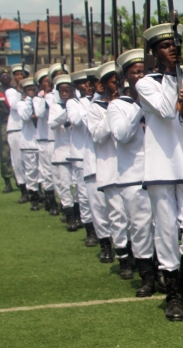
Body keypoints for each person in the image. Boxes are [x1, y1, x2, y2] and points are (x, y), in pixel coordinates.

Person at [137, 22, 183, 322]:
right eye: (165, 46)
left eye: (175, 45)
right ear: (155, 53)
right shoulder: (146, 84)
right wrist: (171, 79)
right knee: (165, 230)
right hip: (160, 167)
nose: (172, 50)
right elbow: (166, 110)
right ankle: (173, 292)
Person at [108, 49, 160, 297]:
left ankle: (163, 269)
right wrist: (139, 105)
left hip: (158, 173)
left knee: (162, 225)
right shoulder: (118, 106)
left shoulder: (157, 103)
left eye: (144, 72)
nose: (140, 76)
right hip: (132, 176)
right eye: (135, 72)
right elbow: (122, 134)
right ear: (126, 78)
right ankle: (146, 275)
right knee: (140, 227)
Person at [87, 64, 132, 271]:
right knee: (118, 216)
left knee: (134, 216)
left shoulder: (129, 104)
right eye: (114, 82)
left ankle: (137, 254)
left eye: (119, 82)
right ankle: (123, 256)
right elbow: (97, 135)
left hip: (130, 168)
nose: (117, 86)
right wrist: (111, 111)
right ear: (104, 84)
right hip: (110, 169)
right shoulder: (95, 108)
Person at [66, 69, 99, 247]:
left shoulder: (103, 100)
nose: (87, 86)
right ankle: (90, 231)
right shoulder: (74, 103)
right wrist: (90, 103)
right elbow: (78, 120)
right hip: (81, 155)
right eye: (82, 83)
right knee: (85, 197)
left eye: (89, 82)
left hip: (101, 155)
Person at [48, 74, 78, 229]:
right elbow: (52, 124)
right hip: (62, 151)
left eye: (68, 91)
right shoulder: (56, 107)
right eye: (62, 91)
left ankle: (79, 214)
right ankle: (69, 215)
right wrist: (66, 111)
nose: (65, 94)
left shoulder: (79, 105)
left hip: (77, 152)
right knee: (65, 185)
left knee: (78, 186)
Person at [32, 68, 58, 215]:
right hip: (44, 139)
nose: (48, 83)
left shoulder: (59, 95)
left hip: (57, 138)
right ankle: (50, 201)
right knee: (47, 172)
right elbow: (40, 113)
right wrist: (46, 96)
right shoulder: (38, 99)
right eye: (45, 81)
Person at [16, 77, 42, 210]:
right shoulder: (21, 103)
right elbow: (26, 116)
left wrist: (36, 100)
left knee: (43, 172)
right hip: (29, 143)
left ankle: (45, 196)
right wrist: (29, 100)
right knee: (31, 172)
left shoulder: (40, 101)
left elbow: (40, 113)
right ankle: (34, 198)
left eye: (33, 89)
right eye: (29, 89)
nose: (32, 91)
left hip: (41, 142)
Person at [5, 65, 29, 202]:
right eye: (17, 74)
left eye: (22, 74)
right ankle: (23, 189)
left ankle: (35, 189)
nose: (20, 77)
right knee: (18, 161)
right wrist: (20, 90)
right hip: (15, 129)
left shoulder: (32, 91)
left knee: (30, 160)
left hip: (28, 129)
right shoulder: (11, 91)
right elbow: (14, 105)